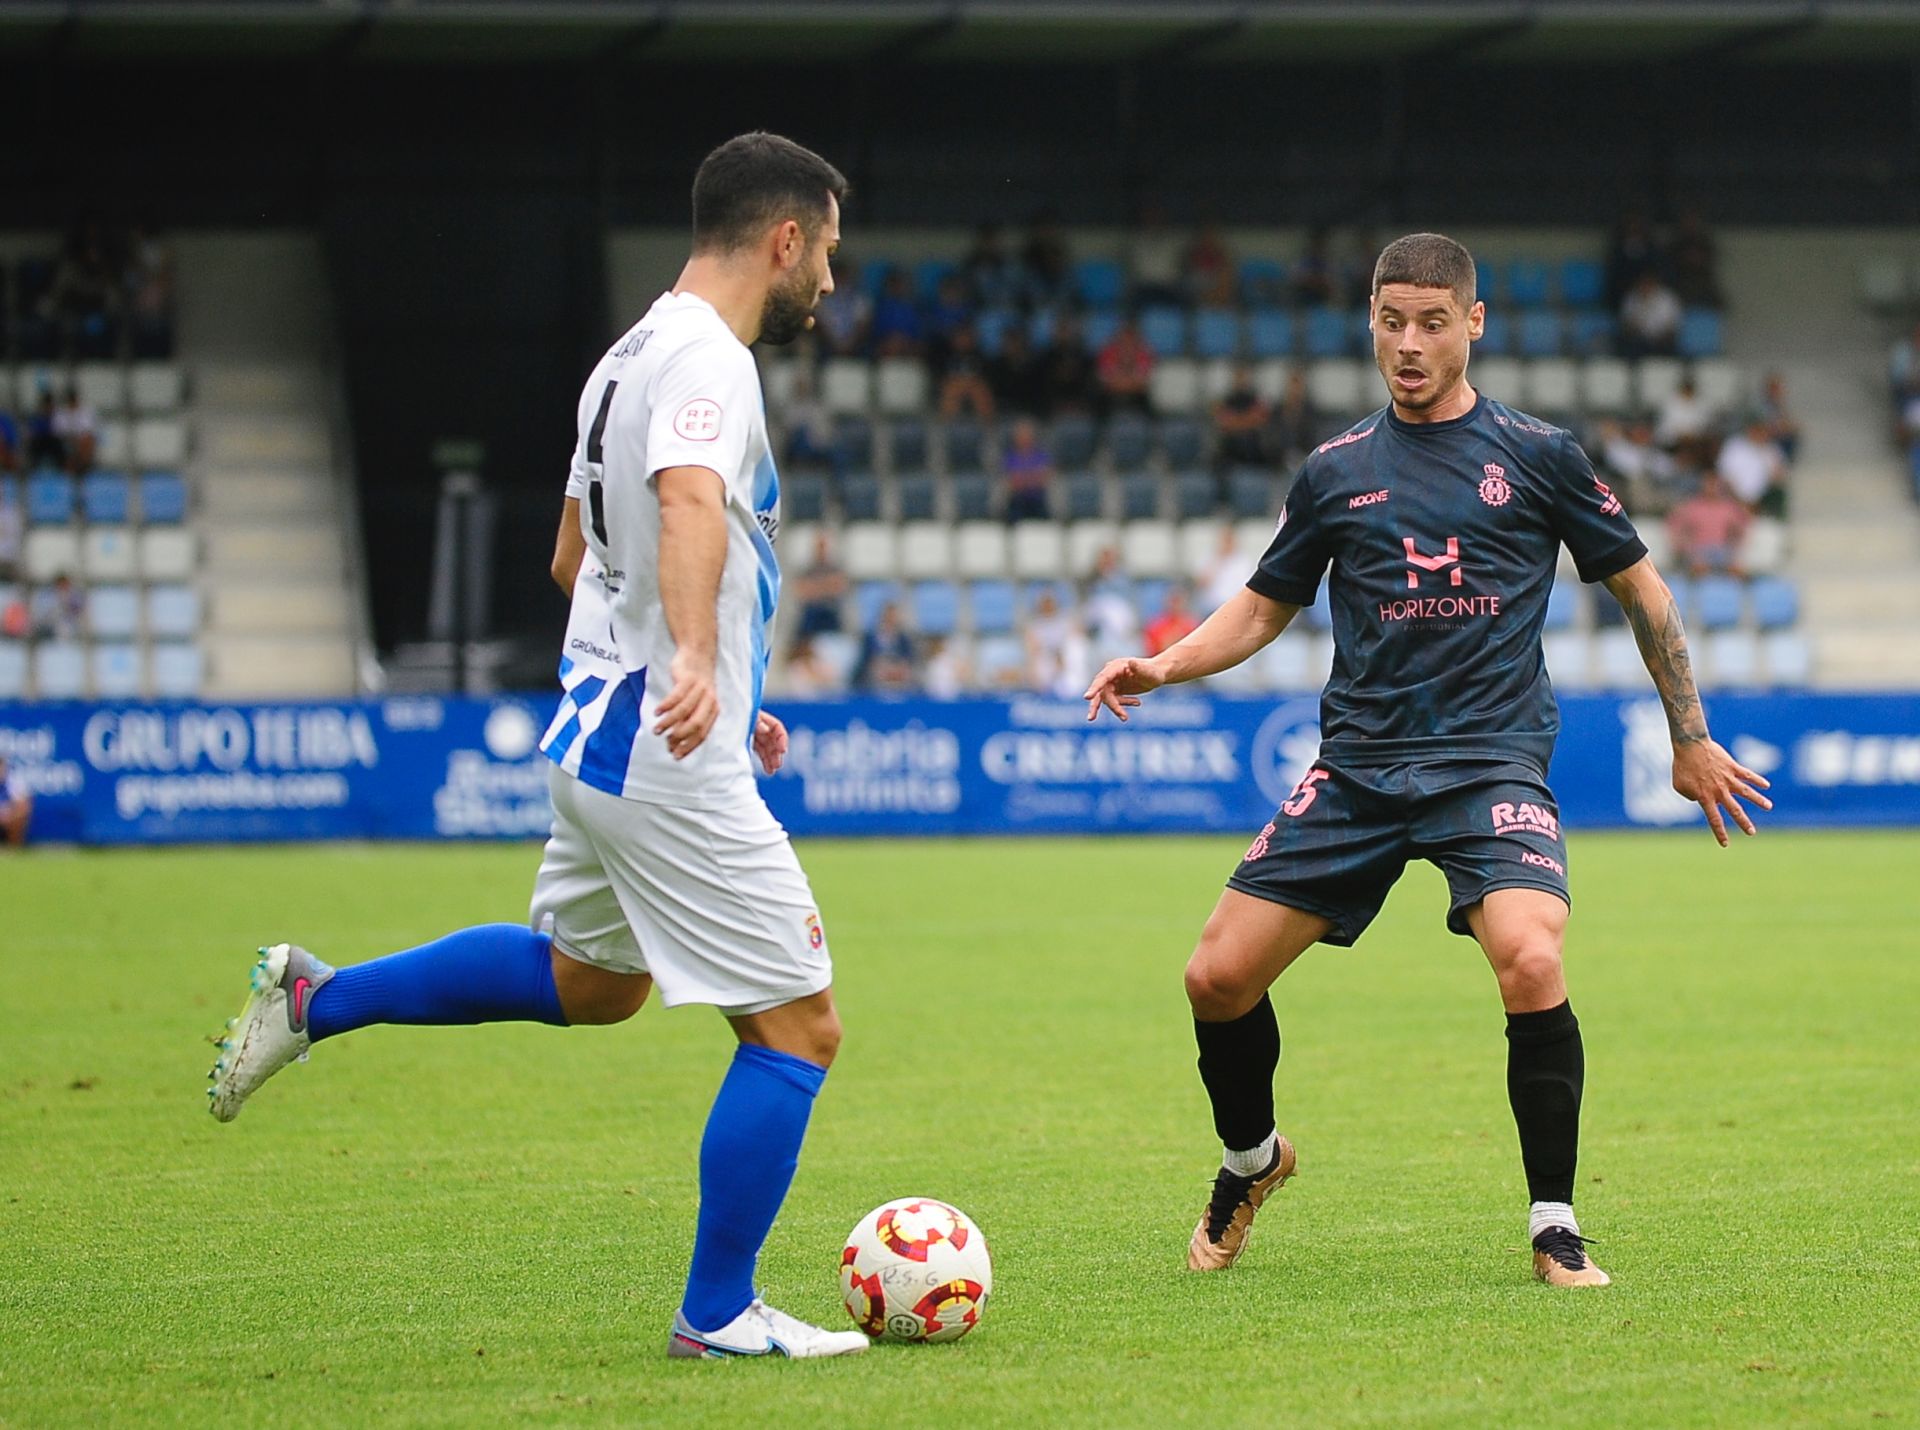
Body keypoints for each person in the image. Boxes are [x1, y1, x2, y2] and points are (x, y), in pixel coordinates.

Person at [205, 132, 870, 1362]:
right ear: (784, 238)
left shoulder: (625, 355)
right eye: (826, 249)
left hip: (603, 727)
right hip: (664, 745)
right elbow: (680, 499)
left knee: (594, 982)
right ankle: (718, 1311)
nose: (829, 279)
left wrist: (709, 656)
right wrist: (692, 659)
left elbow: (575, 558)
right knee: (799, 1026)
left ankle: (320, 997)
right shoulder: (709, 361)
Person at [1084, 232, 1768, 1291]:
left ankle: (1554, 1225)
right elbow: (1265, 608)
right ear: (1370, 320)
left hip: (1489, 764)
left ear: (1474, 323)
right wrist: (1162, 666)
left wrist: (1689, 733)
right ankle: (1252, 1160)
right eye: (1391, 321)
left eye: (1432, 322)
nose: (1408, 344)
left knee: (1532, 958)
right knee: (1214, 977)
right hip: (1358, 769)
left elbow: (1646, 589)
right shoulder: (1335, 469)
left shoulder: (1538, 454)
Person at [1666, 470, 1751, 579]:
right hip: (1698, 552)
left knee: (1737, 570)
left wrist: (1734, 546)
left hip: (1723, 551)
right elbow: (1674, 527)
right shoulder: (1692, 507)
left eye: (1715, 484)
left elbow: (1743, 527)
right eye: (1709, 484)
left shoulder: (1728, 507)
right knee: (1699, 568)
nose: (1712, 487)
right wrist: (1686, 547)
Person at [1716, 414, 1788, 518]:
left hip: (1762, 500)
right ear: (1750, 430)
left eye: (1764, 431)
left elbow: (1779, 477)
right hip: (1733, 497)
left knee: (1779, 495)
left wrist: (1763, 453)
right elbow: (1724, 475)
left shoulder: (1772, 450)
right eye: (1758, 430)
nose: (1762, 434)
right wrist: (1740, 501)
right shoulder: (1734, 446)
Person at [1211, 364, 1272, 471]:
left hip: (1252, 447)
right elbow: (1224, 422)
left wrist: (1236, 422)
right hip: (1230, 448)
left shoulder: (1255, 398)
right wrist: (1247, 421)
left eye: (1243, 376)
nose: (1240, 380)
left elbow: (1259, 419)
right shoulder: (1227, 400)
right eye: (1238, 377)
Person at [792, 531, 848, 637]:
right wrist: (827, 585)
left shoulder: (835, 568)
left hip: (831, 610)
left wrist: (815, 587)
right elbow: (802, 591)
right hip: (811, 612)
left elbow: (839, 588)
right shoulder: (808, 569)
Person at [1001, 417, 1055, 522]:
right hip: (1017, 501)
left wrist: (1023, 479)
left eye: (1027, 435)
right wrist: (1032, 478)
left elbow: (1045, 478)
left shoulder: (1041, 455)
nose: (1024, 438)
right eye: (1021, 435)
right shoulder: (1010, 457)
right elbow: (1011, 482)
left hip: (1038, 500)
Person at [852, 601, 916, 691]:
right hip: (876, 669)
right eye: (889, 615)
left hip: (897, 669)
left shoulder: (903, 638)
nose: (891, 618)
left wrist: (898, 666)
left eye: (894, 616)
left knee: (903, 672)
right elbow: (865, 658)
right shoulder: (870, 637)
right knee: (879, 671)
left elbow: (909, 658)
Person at [1096, 318, 1154, 416]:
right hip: (1111, 394)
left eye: (1130, 339)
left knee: (1148, 399)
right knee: (1098, 397)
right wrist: (1127, 382)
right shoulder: (1108, 352)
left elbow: (1142, 383)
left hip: (1137, 395)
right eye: (1123, 339)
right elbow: (1106, 382)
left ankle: (1150, 429)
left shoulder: (1143, 353)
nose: (1127, 343)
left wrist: (1122, 382)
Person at [1619, 271, 1681, 358]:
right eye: (1643, 284)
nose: (1646, 287)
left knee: (1669, 347)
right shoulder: (1631, 298)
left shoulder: (1667, 299)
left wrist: (1659, 338)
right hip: (1639, 341)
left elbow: (1672, 328)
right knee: (1630, 347)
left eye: (1649, 284)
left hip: (1662, 342)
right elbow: (1627, 327)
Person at [1142, 584, 1198, 655]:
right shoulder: (1155, 625)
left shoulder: (1192, 625)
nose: (1175, 605)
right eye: (1173, 601)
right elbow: (1150, 651)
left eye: (1178, 601)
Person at [30, 574, 83, 640]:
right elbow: (42, 616)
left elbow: (78, 613)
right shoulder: (47, 597)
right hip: (49, 628)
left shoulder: (74, 597)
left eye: (65, 586)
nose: (63, 588)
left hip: (68, 628)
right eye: (61, 586)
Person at [0, 754, 30, 848]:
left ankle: (13, 850)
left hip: (9, 818)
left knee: (20, 818)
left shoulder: (14, 781)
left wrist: (9, 816)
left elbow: (24, 806)